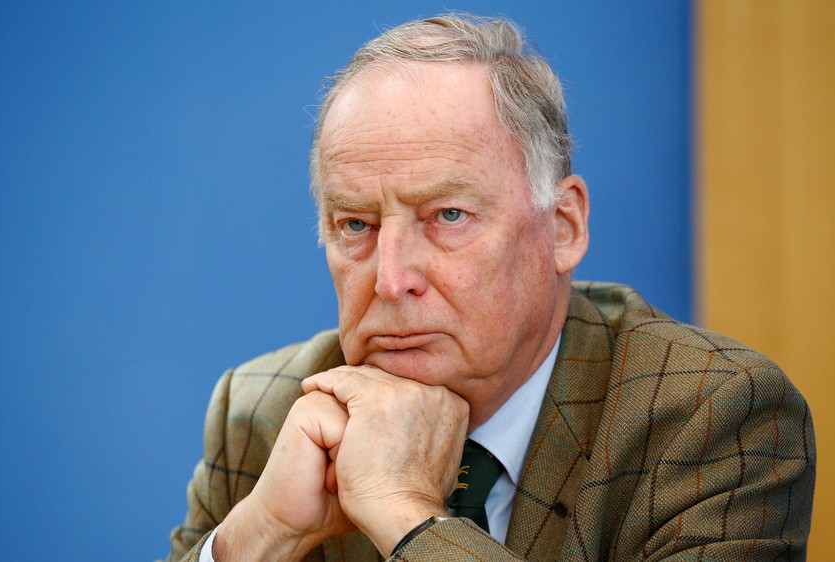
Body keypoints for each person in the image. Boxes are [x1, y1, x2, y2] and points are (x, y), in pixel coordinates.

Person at [163, 13, 815, 562]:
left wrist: (407, 516)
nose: (390, 281)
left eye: (447, 216)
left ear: (562, 227)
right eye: (355, 225)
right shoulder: (264, 415)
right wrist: (259, 536)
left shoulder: (713, 416)